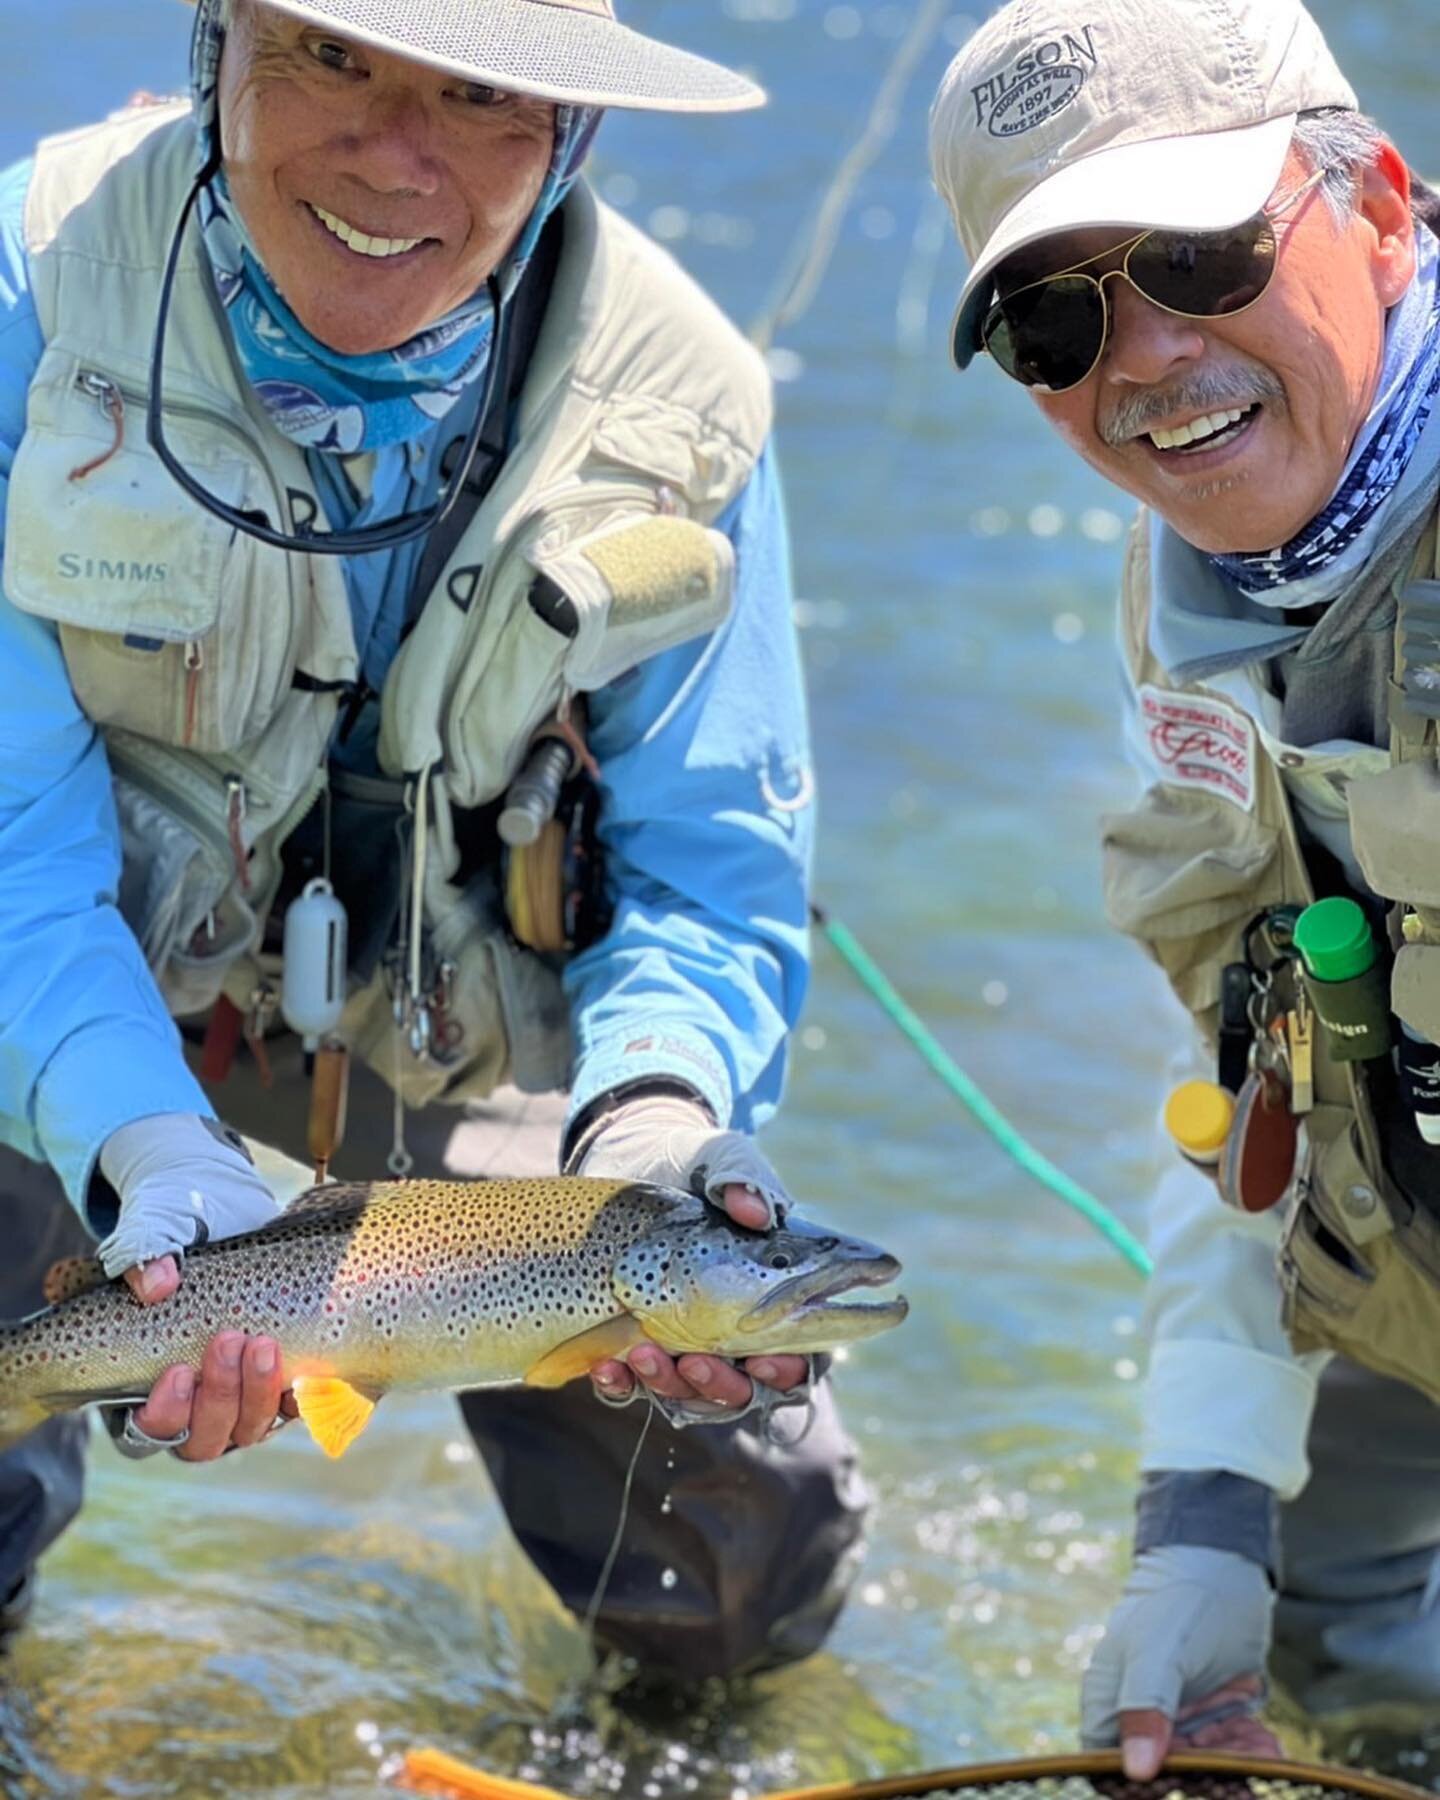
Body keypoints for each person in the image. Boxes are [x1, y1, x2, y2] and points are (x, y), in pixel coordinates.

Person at [0, 0, 868, 1682]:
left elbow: (708, 880)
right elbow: (8, 843)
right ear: (212, 44)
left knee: (744, 1561)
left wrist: (662, 1114)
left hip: (447, 1035)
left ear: (572, 131)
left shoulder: (688, 406)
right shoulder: (26, 297)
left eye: (483, 92)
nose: (397, 155)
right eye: (331, 56)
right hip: (54, 976)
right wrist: (146, 1146)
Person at [929, 0, 1440, 1772]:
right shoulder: (1194, 591)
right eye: (1058, 316)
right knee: (1322, 1646)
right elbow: (1265, 1078)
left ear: (1380, 206)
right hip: (1399, 1251)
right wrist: (1203, 1514)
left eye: (1204, 254)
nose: (1143, 357)